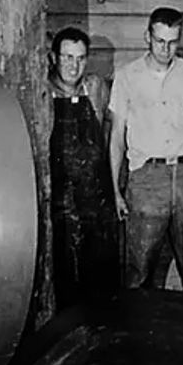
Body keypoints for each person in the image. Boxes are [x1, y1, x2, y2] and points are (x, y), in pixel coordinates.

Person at [109, 7, 183, 299]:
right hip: (146, 179)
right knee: (139, 270)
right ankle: (138, 337)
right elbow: (117, 136)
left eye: (173, 42)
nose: (166, 49)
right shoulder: (127, 76)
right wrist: (116, 190)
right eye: (159, 41)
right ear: (147, 37)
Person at [46, 26, 120, 312]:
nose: (73, 65)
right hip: (60, 207)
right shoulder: (44, 94)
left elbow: (113, 135)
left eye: (79, 58)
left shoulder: (96, 88)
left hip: (96, 205)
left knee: (101, 284)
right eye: (66, 57)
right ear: (54, 58)